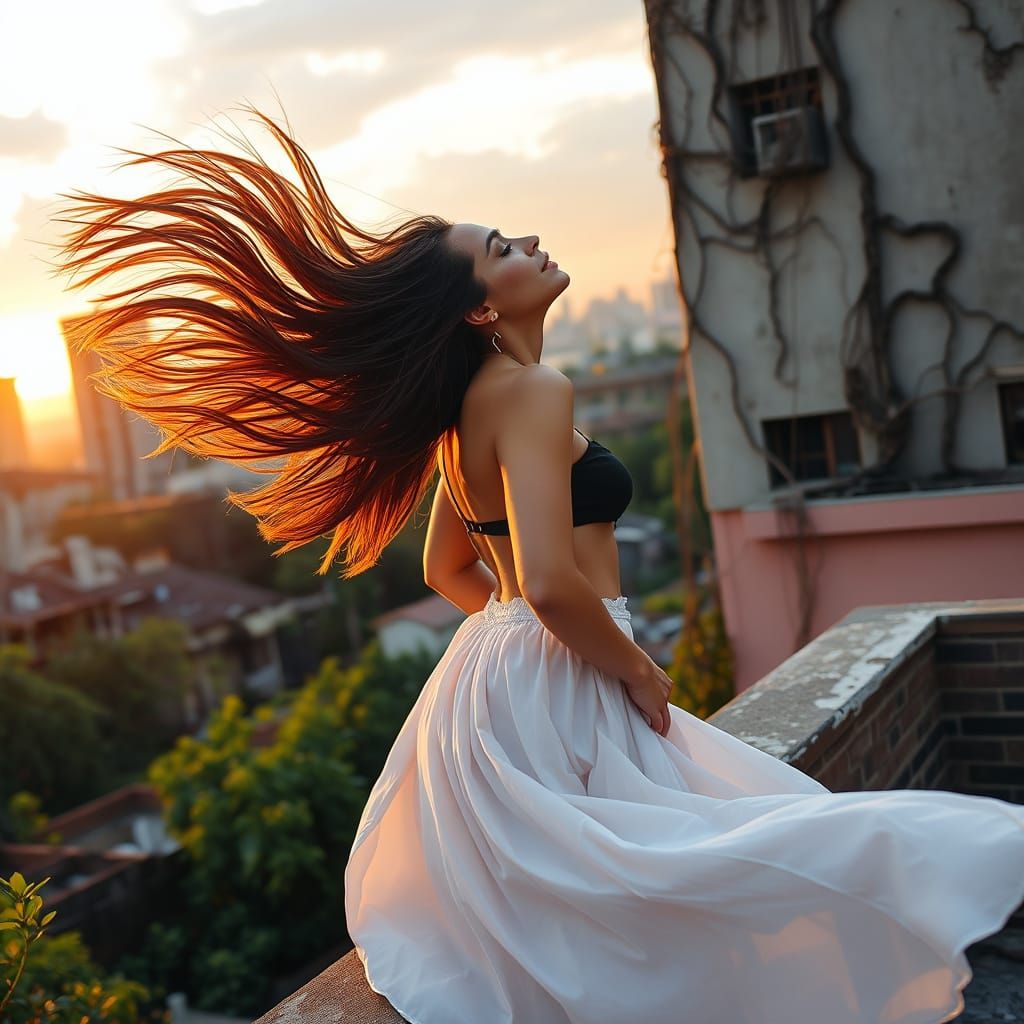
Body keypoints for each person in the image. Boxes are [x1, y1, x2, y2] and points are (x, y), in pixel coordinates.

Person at [50, 104, 1024, 1024]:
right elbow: (554, 581)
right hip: (557, 666)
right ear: (479, 309)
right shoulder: (532, 389)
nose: (527, 244)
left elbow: (449, 570)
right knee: (733, 850)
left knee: (665, 868)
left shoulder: (467, 408)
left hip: (503, 677)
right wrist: (624, 662)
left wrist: (524, 635)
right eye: (500, 250)